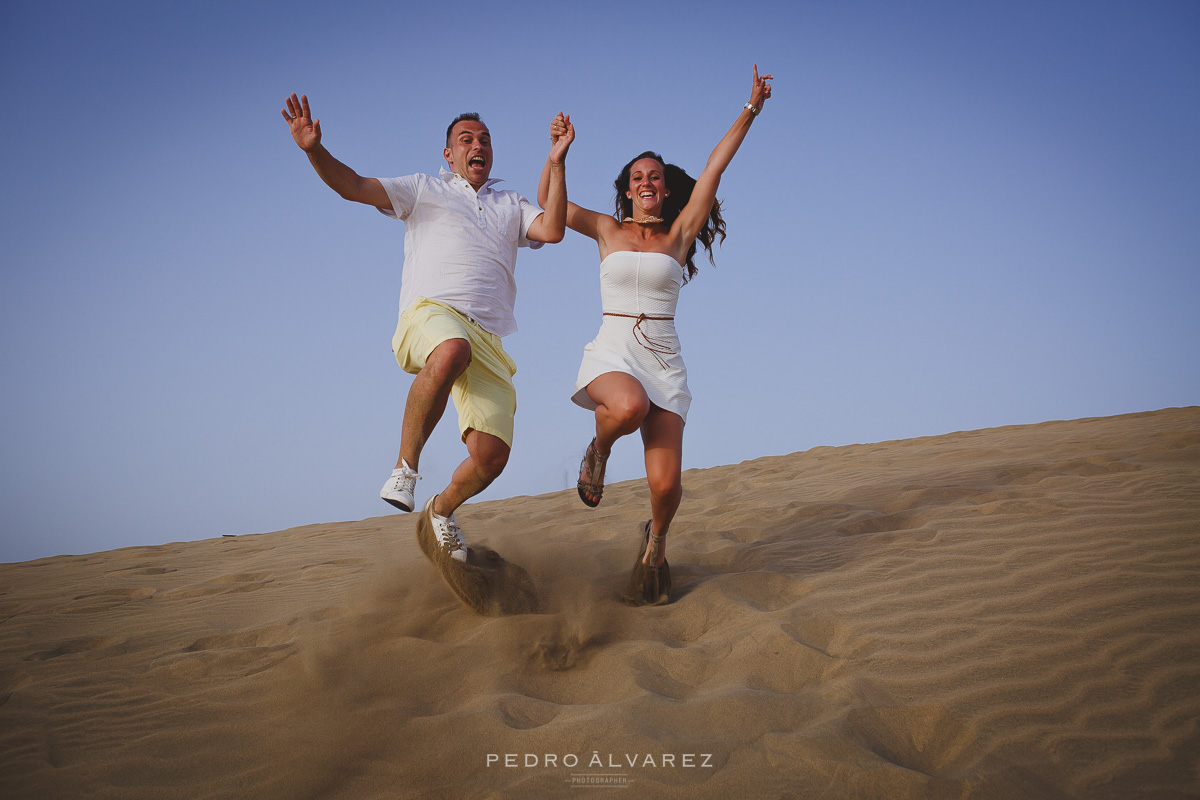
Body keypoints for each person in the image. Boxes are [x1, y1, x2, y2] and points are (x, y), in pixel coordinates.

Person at [282, 93, 573, 562]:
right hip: (430, 314)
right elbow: (353, 185)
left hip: (490, 339)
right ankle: (405, 467)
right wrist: (314, 150)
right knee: (451, 348)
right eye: (466, 140)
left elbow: (554, 230)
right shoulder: (423, 188)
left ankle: (441, 510)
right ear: (449, 154)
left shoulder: (510, 203)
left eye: (484, 140)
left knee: (491, 456)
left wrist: (556, 161)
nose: (477, 146)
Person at [539, 65, 772, 604]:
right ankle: (597, 451)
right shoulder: (604, 228)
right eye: (637, 177)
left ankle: (656, 543)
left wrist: (751, 108)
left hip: (664, 358)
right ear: (626, 190)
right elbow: (548, 204)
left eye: (656, 176)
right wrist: (558, 157)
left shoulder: (678, 234)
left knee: (666, 487)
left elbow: (716, 165)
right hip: (614, 350)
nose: (647, 182)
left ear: (666, 190)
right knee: (627, 406)